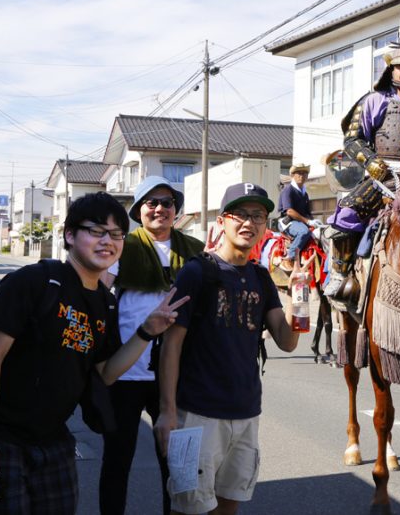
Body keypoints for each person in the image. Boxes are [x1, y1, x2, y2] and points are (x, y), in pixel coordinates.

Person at [0, 192, 189, 513]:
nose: (108, 241)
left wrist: (147, 330)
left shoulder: (104, 303)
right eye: (96, 231)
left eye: (117, 234)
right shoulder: (34, 282)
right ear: (70, 235)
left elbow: (106, 372)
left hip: (53, 439)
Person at [154, 182, 300, 515]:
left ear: (265, 226)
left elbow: (287, 342)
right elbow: (171, 345)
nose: (249, 223)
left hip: (247, 413)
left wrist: (295, 295)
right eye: (241, 214)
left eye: (259, 216)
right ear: (222, 221)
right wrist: (167, 410)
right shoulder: (196, 272)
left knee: (229, 506)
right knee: (187, 507)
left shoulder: (263, 278)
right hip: (197, 415)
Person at [99, 176, 205, 515]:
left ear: (176, 210)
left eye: (167, 203)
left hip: (176, 375)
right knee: (118, 460)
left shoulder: (195, 250)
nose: (160, 208)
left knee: (176, 464)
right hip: (128, 370)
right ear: (139, 210)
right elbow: (99, 293)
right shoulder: (123, 246)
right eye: (151, 203)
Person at [324, 43, 400, 295]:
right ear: (390, 71)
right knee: (347, 212)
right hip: (384, 175)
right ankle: (340, 272)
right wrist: (372, 162)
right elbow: (352, 139)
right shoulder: (374, 101)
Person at [277, 163, 316, 272]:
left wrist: (314, 222)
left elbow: (307, 213)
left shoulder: (305, 194)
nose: (302, 176)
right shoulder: (288, 190)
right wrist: (307, 221)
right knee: (303, 232)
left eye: (305, 173)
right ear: (293, 175)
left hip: (300, 222)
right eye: (299, 173)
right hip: (287, 222)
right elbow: (289, 211)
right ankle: (289, 257)